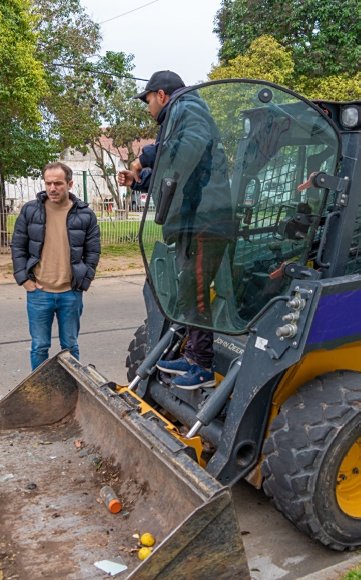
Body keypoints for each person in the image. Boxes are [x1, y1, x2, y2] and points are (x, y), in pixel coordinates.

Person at [118, 70, 233, 390]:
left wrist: (145, 157)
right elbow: (178, 165)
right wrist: (139, 178)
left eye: (148, 100)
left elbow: (188, 148)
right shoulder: (179, 115)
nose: (147, 107)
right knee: (188, 289)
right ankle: (194, 355)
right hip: (195, 220)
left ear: (162, 95)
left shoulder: (187, 107)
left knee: (194, 289)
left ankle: (203, 367)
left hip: (205, 220)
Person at [12, 162, 100, 370]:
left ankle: (72, 390)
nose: (52, 188)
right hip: (39, 292)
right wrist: (24, 280)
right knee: (39, 346)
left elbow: (93, 251)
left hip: (71, 293)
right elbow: (18, 246)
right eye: (48, 183)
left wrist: (83, 281)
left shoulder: (85, 214)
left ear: (70, 184)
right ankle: (39, 393)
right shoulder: (30, 211)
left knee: (70, 346)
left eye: (58, 183)